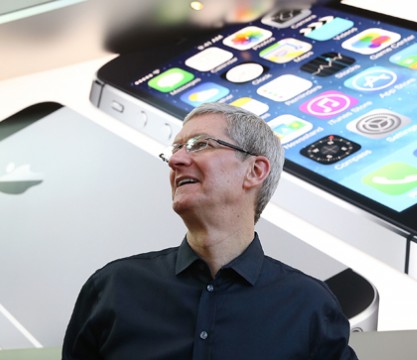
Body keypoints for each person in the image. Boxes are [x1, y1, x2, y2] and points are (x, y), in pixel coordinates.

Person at [62, 102, 358, 359]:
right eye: (176, 149)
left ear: (255, 171)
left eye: (200, 144)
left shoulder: (308, 304)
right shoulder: (113, 287)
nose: (176, 160)